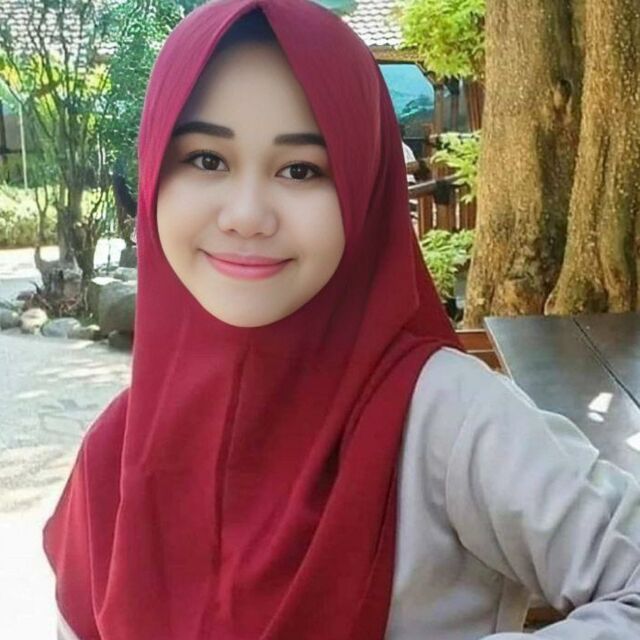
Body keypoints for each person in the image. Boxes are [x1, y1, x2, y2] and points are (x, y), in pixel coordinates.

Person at [43, 1, 640, 639]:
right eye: (207, 160)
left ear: (363, 187)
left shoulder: (444, 416)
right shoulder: (115, 450)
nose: (247, 215)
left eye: (300, 170)